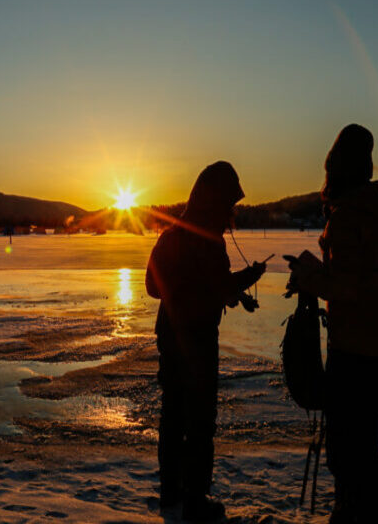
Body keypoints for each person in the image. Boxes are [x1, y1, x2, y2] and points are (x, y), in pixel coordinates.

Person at [288, 124, 378, 523]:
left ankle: (366, 516)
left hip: (358, 352)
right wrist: (314, 271)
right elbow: (359, 280)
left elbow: (352, 288)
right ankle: (361, 514)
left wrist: (310, 278)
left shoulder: (353, 214)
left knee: (350, 454)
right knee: (359, 448)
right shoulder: (376, 210)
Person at [145, 161, 266, 522]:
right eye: (229, 203)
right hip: (195, 340)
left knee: (173, 416)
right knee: (198, 421)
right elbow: (216, 286)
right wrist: (249, 277)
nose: (231, 211)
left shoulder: (172, 235)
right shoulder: (207, 240)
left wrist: (224, 294)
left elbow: (156, 287)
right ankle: (195, 501)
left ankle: (171, 494)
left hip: (170, 335)